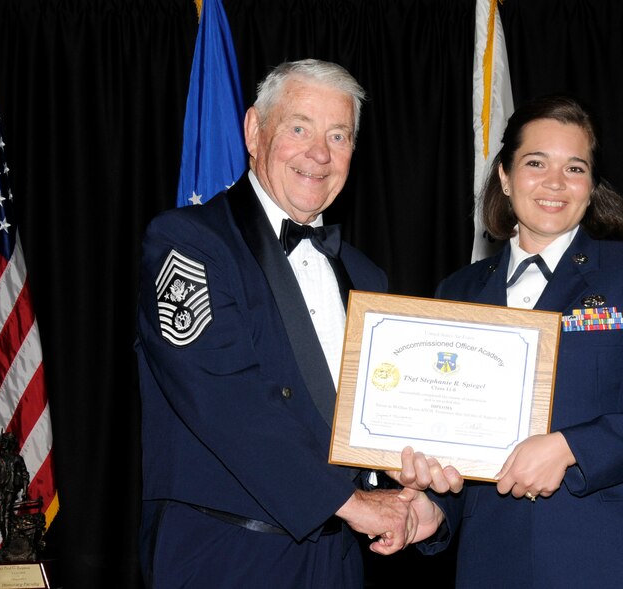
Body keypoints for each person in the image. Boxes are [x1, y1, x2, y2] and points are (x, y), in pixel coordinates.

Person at [398, 95, 623, 588]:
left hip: (614, 558)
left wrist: (570, 448)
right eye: (536, 162)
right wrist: (434, 508)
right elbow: (456, 438)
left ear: (591, 186)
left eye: (575, 167)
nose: (555, 183)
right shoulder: (458, 291)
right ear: (504, 175)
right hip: (493, 561)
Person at [136, 59, 421, 588]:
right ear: (253, 130)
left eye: (339, 135)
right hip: (222, 555)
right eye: (299, 128)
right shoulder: (188, 243)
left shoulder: (367, 276)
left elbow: (385, 416)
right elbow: (223, 397)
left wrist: (419, 496)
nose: (319, 153)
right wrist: (349, 502)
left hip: (339, 561)